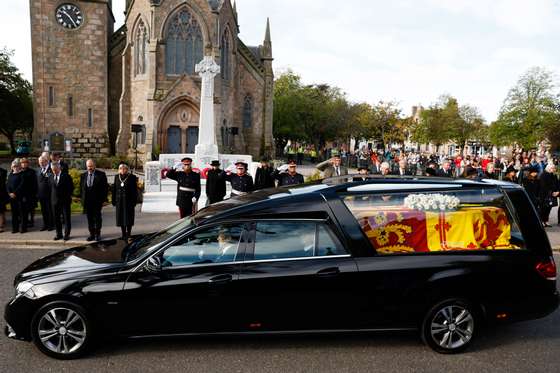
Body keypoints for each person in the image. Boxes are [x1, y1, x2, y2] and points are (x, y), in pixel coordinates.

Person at [80, 159, 109, 241]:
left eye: (91, 166)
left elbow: (105, 188)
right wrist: (82, 200)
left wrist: (104, 200)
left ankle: (97, 234)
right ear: (86, 166)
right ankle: (91, 234)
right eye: (88, 166)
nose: (90, 168)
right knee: (89, 219)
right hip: (87, 201)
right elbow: (81, 189)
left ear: (94, 166)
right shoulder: (83, 175)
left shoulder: (101, 175)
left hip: (97, 201)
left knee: (97, 218)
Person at [112, 162, 138, 240]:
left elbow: (135, 191)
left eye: (124, 168)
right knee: (121, 218)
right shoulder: (117, 177)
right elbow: (114, 190)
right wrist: (114, 200)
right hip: (119, 201)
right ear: (118, 170)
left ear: (127, 169)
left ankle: (128, 233)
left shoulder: (132, 177)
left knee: (128, 218)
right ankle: (123, 234)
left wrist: (134, 201)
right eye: (120, 168)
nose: (122, 170)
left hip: (129, 201)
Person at [49, 162, 73, 240]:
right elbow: (50, 188)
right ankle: (59, 234)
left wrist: (66, 196)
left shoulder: (66, 176)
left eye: (55, 170)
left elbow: (71, 188)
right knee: (56, 219)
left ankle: (67, 234)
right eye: (53, 170)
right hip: (55, 201)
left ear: (59, 168)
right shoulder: (51, 176)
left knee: (66, 218)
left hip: (65, 201)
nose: (54, 171)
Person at [7, 160, 27, 233]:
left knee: (22, 213)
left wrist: (15, 193)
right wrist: (10, 193)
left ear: (19, 166)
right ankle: (15, 228)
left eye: (16, 166)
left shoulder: (22, 174)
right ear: (12, 167)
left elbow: (22, 185)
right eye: (14, 166)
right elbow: (8, 185)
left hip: (20, 197)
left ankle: (23, 228)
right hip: (12, 198)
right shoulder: (10, 175)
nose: (15, 168)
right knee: (14, 214)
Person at [36, 156, 54, 231]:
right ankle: (45, 224)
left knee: (49, 210)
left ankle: (51, 225)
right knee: (43, 211)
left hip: (49, 194)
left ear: (46, 161)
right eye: (40, 162)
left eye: (42, 162)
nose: (41, 163)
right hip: (41, 195)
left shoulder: (51, 169)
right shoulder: (38, 170)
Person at [20, 158, 38, 228]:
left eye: (25, 163)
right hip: (22, 193)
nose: (24, 164)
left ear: (28, 164)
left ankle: (32, 220)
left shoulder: (32, 172)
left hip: (31, 193)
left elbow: (35, 183)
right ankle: (25, 220)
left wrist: (35, 192)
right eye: (22, 163)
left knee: (31, 208)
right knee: (24, 209)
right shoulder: (19, 171)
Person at [0, 166, 8, 232]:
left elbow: (2, 183)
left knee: (1, 210)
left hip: (1, 193)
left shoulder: (3, 171)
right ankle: (3, 222)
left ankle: (1, 226)